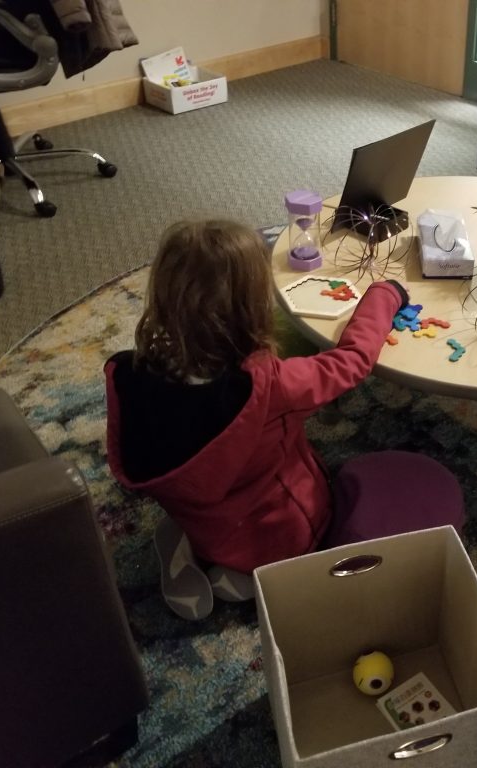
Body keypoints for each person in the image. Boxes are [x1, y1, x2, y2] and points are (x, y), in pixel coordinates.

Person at [104, 219, 409, 619]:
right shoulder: (270, 387)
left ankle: (197, 545)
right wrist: (385, 295)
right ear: (253, 304)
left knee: (212, 504)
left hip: (196, 515)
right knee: (298, 534)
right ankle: (251, 572)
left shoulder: (130, 373)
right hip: (276, 533)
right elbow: (351, 363)